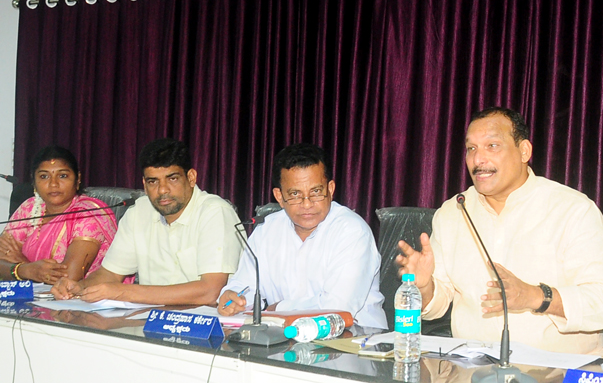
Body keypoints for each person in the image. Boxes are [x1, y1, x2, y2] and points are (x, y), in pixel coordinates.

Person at [395, 107, 603, 356]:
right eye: (471, 148)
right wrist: (424, 286)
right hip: (472, 367)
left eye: (492, 146)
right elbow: (438, 304)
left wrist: (536, 297)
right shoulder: (454, 212)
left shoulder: (572, 209)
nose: (478, 160)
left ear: (524, 151)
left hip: (560, 368)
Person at [51, 138, 243, 305]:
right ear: (144, 184)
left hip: (206, 324)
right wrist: (80, 287)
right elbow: (110, 274)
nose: (162, 190)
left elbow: (211, 291)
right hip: (149, 320)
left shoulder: (214, 212)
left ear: (191, 178)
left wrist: (123, 292)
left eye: (172, 179)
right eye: (153, 181)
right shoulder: (139, 212)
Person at [217, 143, 387, 329]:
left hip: (354, 338)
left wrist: (278, 309)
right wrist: (233, 297)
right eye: (295, 194)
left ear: (330, 189)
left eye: (316, 192)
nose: (307, 204)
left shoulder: (352, 231)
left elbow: (337, 309)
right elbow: (244, 285)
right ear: (279, 197)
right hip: (283, 337)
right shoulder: (266, 230)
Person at [0, 145, 117, 285]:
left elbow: (68, 278)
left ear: (78, 179)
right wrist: (26, 270)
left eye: (63, 176)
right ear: (34, 181)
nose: (53, 184)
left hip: (82, 296)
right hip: (30, 295)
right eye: (44, 176)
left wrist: (23, 266)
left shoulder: (87, 214)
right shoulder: (30, 207)